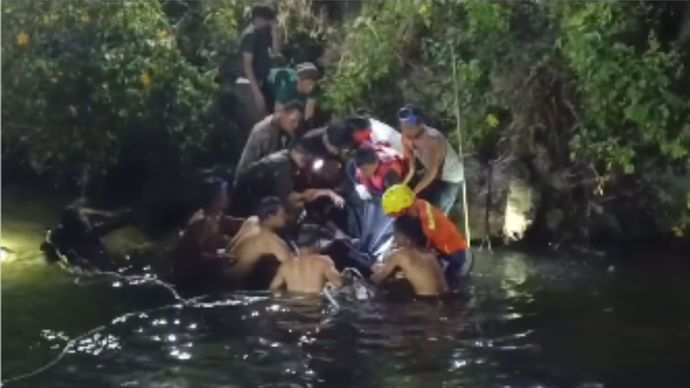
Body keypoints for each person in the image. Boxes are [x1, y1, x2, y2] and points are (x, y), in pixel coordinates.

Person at [381, 184, 470, 283]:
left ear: (405, 207)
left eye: (396, 214)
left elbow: (421, 253)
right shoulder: (418, 204)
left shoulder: (427, 225)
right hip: (441, 251)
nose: (395, 217)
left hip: (456, 255)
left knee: (447, 285)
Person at [230, 141, 344, 218]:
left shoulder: (285, 157)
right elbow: (290, 199)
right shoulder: (283, 167)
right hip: (243, 208)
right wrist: (325, 193)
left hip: (250, 200)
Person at [173, 179, 242, 290]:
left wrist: (256, 220)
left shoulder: (216, 216)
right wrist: (219, 259)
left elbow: (233, 222)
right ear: (216, 199)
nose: (227, 199)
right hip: (190, 281)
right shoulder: (201, 222)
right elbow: (194, 256)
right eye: (224, 196)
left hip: (205, 273)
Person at [398, 105, 464, 214]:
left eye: (409, 127)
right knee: (421, 206)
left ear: (419, 124)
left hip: (450, 176)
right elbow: (411, 167)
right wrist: (402, 185)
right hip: (431, 173)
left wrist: (413, 193)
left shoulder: (432, 139)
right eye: (403, 126)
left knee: (437, 213)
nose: (405, 130)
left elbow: (431, 173)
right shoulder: (405, 137)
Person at [370, 216, 447, 296]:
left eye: (396, 234)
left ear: (403, 236)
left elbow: (376, 279)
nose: (394, 239)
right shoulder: (430, 254)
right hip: (445, 301)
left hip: (424, 305)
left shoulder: (400, 254)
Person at [229, 197, 294, 284]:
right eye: (282, 214)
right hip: (232, 285)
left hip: (224, 272)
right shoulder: (268, 240)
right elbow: (292, 267)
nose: (286, 217)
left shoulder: (251, 221)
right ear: (270, 216)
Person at [235, 101, 304, 176]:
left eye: (298, 122)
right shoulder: (262, 132)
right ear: (283, 114)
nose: (296, 125)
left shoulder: (288, 132)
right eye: (293, 121)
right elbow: (251, 166)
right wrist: (288, 155)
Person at [237, 6, 279, 120]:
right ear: (258, 19)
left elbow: (275, 52)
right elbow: (247, 65)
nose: (267, 24)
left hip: (260, 83)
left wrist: (274, 32)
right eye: (266, 20)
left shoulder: (263, 34)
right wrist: (257, 93)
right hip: (248, 84)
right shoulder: (250, 35)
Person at [270, 253, 343, 294]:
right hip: (315, 311)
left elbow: (273, 288)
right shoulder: (324, 261)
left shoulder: (287, 264)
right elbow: (339, 283)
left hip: (293, 309)